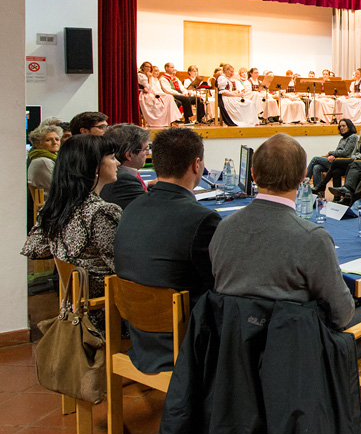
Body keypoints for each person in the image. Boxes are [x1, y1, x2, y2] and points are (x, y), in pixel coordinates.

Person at [210, 134, 361, 427]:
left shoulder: (223, 228)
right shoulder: (311, 238)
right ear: (301, 178)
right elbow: (342, 315)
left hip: (239, 344)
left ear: (253, 174)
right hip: (298, 350)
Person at [113, 128, 221, 372]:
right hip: (183, 339)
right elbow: (220, 282)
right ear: (197, 165)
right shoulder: (202, 220)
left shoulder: (133, 206)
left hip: (139, 334)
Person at [22, 135, 121, 326]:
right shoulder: (101, 212)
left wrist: (69, 253)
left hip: (74, 309)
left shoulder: (54, 208)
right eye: (111, 157)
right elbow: (123, 268)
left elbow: (34, 248)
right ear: (94, 167)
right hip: (105, 314)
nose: (117, 162)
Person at [100, 123, 151, 210]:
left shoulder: (121, 173)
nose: (148, 153)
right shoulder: (123, 179)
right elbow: (149, 209)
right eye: (145, 149)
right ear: (129, 155)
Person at [306, 119, 359, 193]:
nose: (341, 128)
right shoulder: (342, 139)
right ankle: (318, 192)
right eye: (340, 126)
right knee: (316, 167)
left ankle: (304, 181)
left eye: (344, 126)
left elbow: (346, 152)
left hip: (344, 163)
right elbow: (338, 152)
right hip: (336, 161)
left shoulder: (353, 137)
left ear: (349, 127)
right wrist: (333, 155)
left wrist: (331, 153)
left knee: (315, 159)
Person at [138, 61, 182, 127]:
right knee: (160, 102)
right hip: (145, 95)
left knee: (169, 97)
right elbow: (148, 88)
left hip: (151, 93)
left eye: (150, 67)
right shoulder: (141, 75)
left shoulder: (151, 77)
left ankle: (171, 119)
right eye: (147, 66)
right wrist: (150, 78)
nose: (148, 68)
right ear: (142, 67)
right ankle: (160, 121)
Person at [27, 123, 62, 192]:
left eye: (57, 139)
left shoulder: (52, 158)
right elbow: (60, 187)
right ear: (37, 145)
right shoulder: (43, 161)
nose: (55, 142)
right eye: (48, 140)